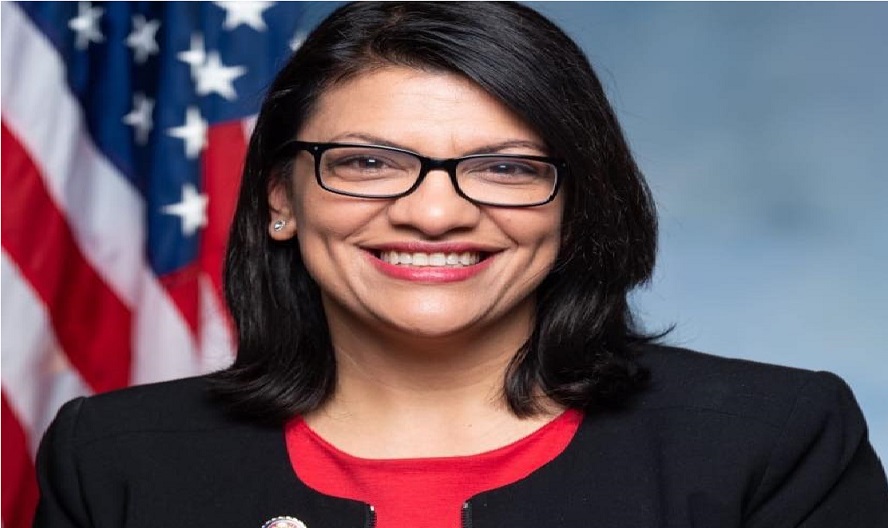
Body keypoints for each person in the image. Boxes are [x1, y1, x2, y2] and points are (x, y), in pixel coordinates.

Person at [34, 2, 888, 527]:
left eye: (504, 167)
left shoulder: (771, 441)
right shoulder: (113, 459)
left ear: (576, 204)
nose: (436, 213)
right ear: (280, 200)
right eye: (367, 162)